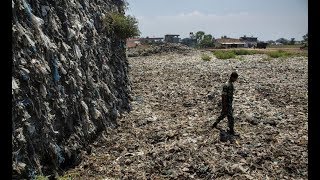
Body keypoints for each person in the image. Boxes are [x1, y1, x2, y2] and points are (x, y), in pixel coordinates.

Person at [212, 71, 239, 136]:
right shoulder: (226, 85)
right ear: (232, 77)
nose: (235, 80)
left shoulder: (230, 84)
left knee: (223, 115)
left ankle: (215, 123)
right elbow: (223, 96)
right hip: (226, 104)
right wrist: (224, 106)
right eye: (235, 78)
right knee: (231, 118)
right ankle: (231, 131)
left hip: (229, 104)